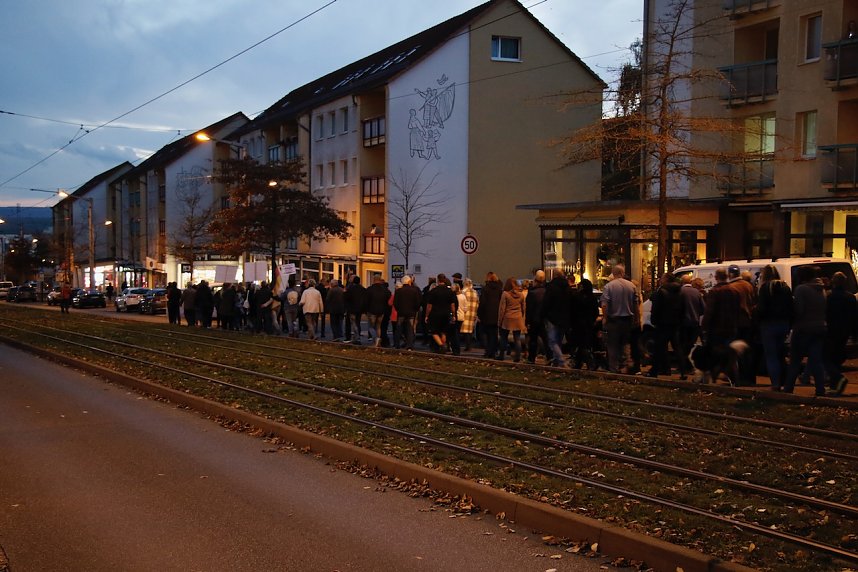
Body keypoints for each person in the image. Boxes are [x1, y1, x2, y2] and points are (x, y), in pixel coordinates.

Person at [783, 266, 827, 396]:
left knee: (795, 359)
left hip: (803, 328)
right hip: (820, 327)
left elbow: (799, 310)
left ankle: (788, 388)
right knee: (816, 359)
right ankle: (820, 389)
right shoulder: (822, 289)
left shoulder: (801, 289)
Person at [755, 264, 793, 390]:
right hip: (783, 324)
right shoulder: (785, 287)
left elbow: (761, 309)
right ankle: (785, 382)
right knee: (781, 354)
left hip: (769, 325)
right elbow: (790, 306)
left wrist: (757, 320)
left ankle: (775, 383)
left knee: (771, 356)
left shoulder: (765, 288)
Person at [702, 268, 741, 384]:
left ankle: (713, 379)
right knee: (729, 354)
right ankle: (735, 379)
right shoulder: (735, 291)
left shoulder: (715, 291)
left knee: (714, 354)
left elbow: (709, 312)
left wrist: (704, 327)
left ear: (716, 277)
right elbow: (737, 310)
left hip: (716, 329)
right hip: (731, 328)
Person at [600, 264, 639, 374]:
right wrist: (637, 319)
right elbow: (635, 304)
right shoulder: (631, 286)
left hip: (614, 320)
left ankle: (614, 368)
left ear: (613, 273)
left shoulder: (609, 286)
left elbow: (604, 305)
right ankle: (626, 365)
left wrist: (605, 318)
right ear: (622, 273)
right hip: (627, 320)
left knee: (612, 345)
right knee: (625, 344)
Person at [824, 271, 855, 396]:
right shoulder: (850, 297)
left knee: (826, 357)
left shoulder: (829, 297)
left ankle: (837, 378)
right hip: (844, 331)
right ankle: (834, 386)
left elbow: (826, 313)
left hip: (831, 330)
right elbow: (854, 316)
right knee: (837, 357)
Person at [648, 273, 683, 377]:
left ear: (666, 279)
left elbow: (656, 308)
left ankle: (655, 371)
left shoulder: (661, 291)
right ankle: (683, 371)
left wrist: (653, 320)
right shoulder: (679, 291)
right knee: (677, 347)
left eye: (662, 278)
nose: (660, 279)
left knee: (659, 347)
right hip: (675, 322)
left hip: (663, 323)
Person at [728, 265, 756, 385]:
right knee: (747, 350)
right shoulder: (748, 285)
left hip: (737, 322)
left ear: (730, 274)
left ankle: (739, 378)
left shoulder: (731, 287)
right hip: (748, 322)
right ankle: (749, 377)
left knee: (736, 351)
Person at [542, 270, 572, 368]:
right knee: (558, 340)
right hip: (564, 317)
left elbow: (546, 303)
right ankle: (556, 361)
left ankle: (561, 361)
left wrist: (544, 315)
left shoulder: (551, 287)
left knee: (552, 341)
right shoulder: (567, 287)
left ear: (554, 276)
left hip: (552, 317)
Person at [677, 274, 705, 379]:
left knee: (682, 345)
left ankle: (685, 367)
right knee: (690, 345)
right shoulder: (696, 292)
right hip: (695, 323)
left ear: (682, 281)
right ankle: (689, 366)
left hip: (682, 323)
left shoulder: (680, 292)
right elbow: (703, 309)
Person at [569, 278, 600, 370]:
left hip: (577, 324)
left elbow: (572, 311)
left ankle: (589, 362)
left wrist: (571, 323)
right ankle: (579, 363)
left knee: (580, 345)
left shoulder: (576, 297)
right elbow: (595, 312)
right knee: (585, 344)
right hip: (588, 324)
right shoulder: (592, 298)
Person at [424, 273, 457, 353]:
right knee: (444, 331)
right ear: (445, 280)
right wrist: (453, 315)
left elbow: (429, 306)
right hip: (446, 313)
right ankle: (443, 345)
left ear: (438, 280)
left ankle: (442, 345)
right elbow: (453, 305)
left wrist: (427, 315)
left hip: (435, 314)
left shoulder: (433, 291)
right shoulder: (450, 291)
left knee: (434, 332)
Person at [497, 277, 526, 362]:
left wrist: (499, 321)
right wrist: (522, 317)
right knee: (517, 338)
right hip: (518, 318)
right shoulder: (521, 295)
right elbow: (523, 308)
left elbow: (502, 309)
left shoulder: (505, 294)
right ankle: (517, 357)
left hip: (507, 318)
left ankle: (501, 355)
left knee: (504, 337)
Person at [477, 272, 503, 358]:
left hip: (487, 315)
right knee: (494, 334)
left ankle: (488, 351)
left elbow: (483, 303)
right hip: (496, 314)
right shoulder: (499, 289)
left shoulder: (485, 289)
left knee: (487, 334)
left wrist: (479, 314)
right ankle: (494, 351)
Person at [525, 270, 549, 364]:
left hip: (534, 319)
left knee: (533, 340)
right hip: (543, 319)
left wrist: (527, 321)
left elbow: (529, 308)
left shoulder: (532, 292)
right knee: (545, 339)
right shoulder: (546, 291)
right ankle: (550, 355)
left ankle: (531, 358)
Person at [393, 275, 422, 350]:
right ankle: (409, 345)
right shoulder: (414, 290)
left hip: (401, 312)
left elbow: (395, 303)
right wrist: (415, 309)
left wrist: (398, 309)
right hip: (411, 312)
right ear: (409, 281)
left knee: (399, 328)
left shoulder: (399, 291)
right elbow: (418, 302)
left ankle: (396, 344)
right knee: (410, 329)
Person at [365, 276, 391, 347]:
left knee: (371, 327)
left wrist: (366, 310)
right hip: (382, 311)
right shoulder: (385, 290)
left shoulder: (369, 289)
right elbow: (389, 300)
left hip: (372, 311)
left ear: (373, 280)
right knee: (378, 326)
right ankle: (377, 342)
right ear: (380, 280)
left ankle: (376, 339)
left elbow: (366, 301)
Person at [344, 276, 367, 344]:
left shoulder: (350, 288)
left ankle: (355, 337)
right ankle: (357, 336)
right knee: (357, 322)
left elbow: (346, 297)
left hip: (351, 309)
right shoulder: (362, 289)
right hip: (359, 309)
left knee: (352, 323)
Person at [460, 278, 479, 352]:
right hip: (473, 313)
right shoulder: (475, 292)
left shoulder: (463, 292)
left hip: (465, 312)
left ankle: (467, 346)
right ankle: (469, 345)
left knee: (464, 331)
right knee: (470, 330)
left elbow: (462, 302)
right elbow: (477, 303)